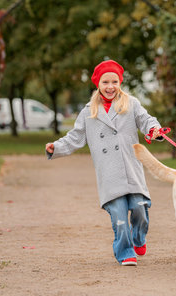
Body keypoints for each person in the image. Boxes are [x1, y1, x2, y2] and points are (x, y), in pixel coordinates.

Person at [45, 60, 163, 266]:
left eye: (114, 81)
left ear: (120, 83)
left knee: (140, 209)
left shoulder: (131, 103)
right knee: (119, 217)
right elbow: (75, 137)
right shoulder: (89, 112)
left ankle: (138, 238)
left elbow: (147, 121)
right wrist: (56, 147)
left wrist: (155, 130)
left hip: (131, 169)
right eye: (105, 82)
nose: (110, 86)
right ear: (98, 84)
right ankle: (125, 251)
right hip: (109, 174)